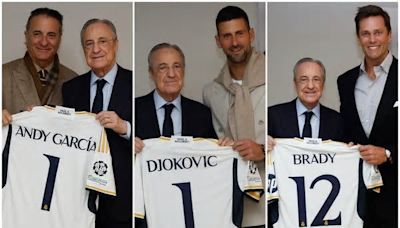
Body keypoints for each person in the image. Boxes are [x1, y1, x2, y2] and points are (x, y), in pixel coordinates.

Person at [62, 18, 132, 228]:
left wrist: (124, 127)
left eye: (102, 41)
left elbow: (150, 136)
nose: (96, 49)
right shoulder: (71, 88)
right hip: (79, 198)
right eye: (89, 43)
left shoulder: (133, 83)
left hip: (123, 200)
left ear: (116, 44)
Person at [202, 6, 265, 228]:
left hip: (274, 198)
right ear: (218, 41)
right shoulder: (211, 92)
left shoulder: (275, 79)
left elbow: (292, 131)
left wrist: (263, 150)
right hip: (231, 202)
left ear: (252, 34)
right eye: (227, 36)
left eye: (240, 33)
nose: (234, 42)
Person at [337, 5, 397, 228]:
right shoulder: (345, 81)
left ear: (389, 35)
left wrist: (390, 153)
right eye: (365, 33)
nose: (372, 39)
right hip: (357, 196)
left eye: (378, 32)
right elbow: (345, 130)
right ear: (358, 38)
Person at [135, 42, 217, 151]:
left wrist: (226, 147)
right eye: (163, 68)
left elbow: (213, 155)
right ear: (151, 73)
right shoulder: (134, 109)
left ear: (184, 71)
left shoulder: (202, 114)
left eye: (177, 66)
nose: (171, 74)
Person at [2, 7, 77, 126]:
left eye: (51, 35)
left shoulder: (74, 81)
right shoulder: (3, 75)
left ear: (60, 39)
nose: (44, 42)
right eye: (37, 34)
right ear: (26, 36)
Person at [268, 57, 342, 141]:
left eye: (316, 79)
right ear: (295, 84)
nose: (310, 86)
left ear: (323, 84)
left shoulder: (338, 121)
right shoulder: (272, 116)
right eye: (304, 79)